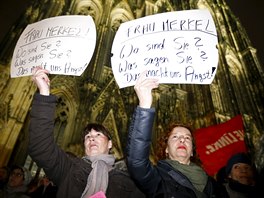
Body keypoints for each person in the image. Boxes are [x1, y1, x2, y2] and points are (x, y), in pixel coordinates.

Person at [28, 67, 145, 198]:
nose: (91, 139)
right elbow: (41, 147)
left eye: (98, 135)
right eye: (87, 136)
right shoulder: (69, 169)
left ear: (110, 144)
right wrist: (44, 93)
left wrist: (145, 104)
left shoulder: (128, 183)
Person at [126, 72, 229, 197]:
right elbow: (137, 162)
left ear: (192, 151)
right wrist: (145, 104)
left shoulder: (216, 187)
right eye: (175, 137)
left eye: (187, 138)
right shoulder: (159, 179)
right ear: (166, 149)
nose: (182, 140)